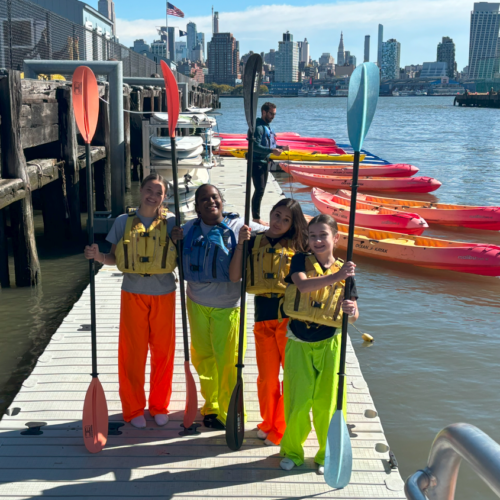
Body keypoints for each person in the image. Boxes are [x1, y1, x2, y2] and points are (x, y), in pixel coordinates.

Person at [84, 173, 180, 429]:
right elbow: (114, 259)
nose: (153, 196)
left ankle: (159, 405)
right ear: (141, 190)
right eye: (149, 190)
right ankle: (133, 408)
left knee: (163, 352)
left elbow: (181, 255)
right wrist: (98, 257)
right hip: (133, 292)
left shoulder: (172, 222)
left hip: (164, 294)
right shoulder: (123, 221)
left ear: (165, 197)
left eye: (158, 193)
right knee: (133, 353)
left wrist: (180, 238)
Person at [178, 184, 267, 430]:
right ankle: (212, 406)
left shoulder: (239, 227)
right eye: (204, 199)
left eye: (215, 197)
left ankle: (232, 412)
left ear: (222, 201)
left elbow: (275, 232)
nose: (210, 202)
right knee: (203, 358)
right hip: (196, 303)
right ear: (196, 207)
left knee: (228, 362)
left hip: (229, 307)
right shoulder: (187, 229)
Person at [278, 214, 359, 474]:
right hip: (299, 341)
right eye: (312, 236)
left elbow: (355, 312)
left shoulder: (347, 270)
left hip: (330, 343)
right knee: (298, 400)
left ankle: (326, 455)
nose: (317, 240)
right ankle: (293, 451)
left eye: (323, 235)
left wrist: (351, 309)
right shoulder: (300, 260)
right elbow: (301, 286)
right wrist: (338, 277)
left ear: (335, 238)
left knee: (327, 402)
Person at [229, 198, 308, 446]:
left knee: (291, 375)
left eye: (286, 220)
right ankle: (268, 422)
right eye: (277, 215)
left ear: (293, 225)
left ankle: (281, 427)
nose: (279, 223)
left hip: (290, 320)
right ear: (270, 214)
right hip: (262, 317)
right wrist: (241, 244)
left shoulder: (300, 246)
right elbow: (234, 276)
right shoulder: (253, 240)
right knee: (267, 378)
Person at [251, 102, 290, 226]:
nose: (273, 116)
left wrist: (281, 147)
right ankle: (256, 218)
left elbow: (270, 145)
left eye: (274, 114)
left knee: (261, 190)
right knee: (259, 190)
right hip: (256, 163)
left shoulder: (266, 127)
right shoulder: (257, 127)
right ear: (264, 112)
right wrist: (271, 151)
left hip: (264, 163)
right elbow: (254, 146)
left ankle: (256, 217)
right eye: (271, 114)